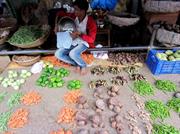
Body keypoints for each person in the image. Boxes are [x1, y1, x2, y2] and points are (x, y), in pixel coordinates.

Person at [55, 0, 97, 75]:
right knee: (58, 54)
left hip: (84, 42)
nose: (74, 11)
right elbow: (59, 13)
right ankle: (77, 63)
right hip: (73, 41)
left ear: (83, 11)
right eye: (74, 9)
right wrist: (56, 25)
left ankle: (83, 65)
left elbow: (92, 39)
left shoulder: (91, 22)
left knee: (72, 53)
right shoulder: (73, 16)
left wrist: (80, 35)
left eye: (76, 9)